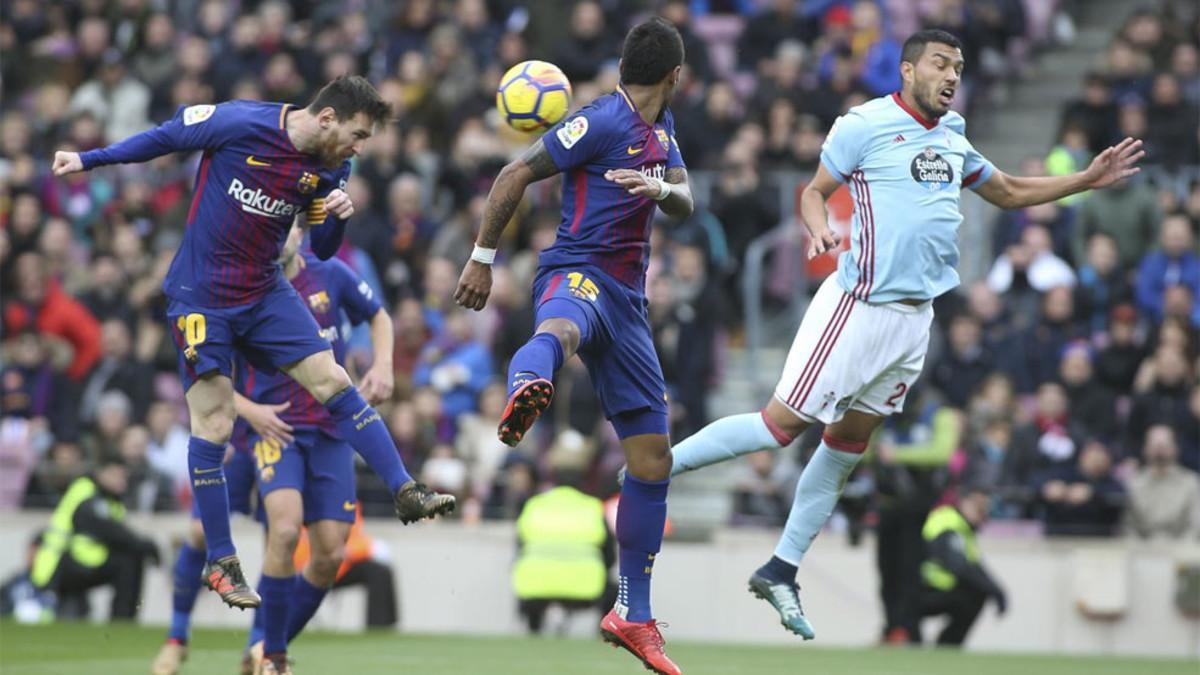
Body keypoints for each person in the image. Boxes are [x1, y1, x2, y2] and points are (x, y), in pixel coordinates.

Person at [664, 28, 1143, 638]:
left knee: (845, 446)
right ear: (908, 71)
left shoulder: (954, 133)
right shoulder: (862, 125)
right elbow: (814, 193)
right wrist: (818, 230)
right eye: (941, 64)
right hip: (858, 306)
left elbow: (1008, 191)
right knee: (780, 427)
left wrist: (1083, 180)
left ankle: (781, 567)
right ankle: (662, 466)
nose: (952, 75)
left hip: (914, 321)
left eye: (960, 66)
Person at [52, 75, 455, 610]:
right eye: (358, 133)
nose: (361, 147)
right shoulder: (240, 122)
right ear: (328, 118)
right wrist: (90, 159)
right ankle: (221, 562)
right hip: (201, 295)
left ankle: (406, 489)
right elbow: (167, 137)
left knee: (333, 377)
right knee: (215, 422)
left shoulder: (333, 166)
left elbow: (325, 248)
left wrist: (336, 216)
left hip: (265, 289)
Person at [454, 18, 692, 675]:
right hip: (575, 271)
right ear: (676, 74)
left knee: (652, 458)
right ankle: (524, 387)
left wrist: (662, 189)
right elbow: (512, 174)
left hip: (631, 304)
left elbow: (688, 201)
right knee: (559, 331)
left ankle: (632, 614)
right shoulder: (601, 121)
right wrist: (481, 259)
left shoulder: (664, 131)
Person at [155, 224, 396, 675]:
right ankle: (176, 637)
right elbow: (202, 373)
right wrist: (249, 411)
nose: (276, 236)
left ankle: (260, 649)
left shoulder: (327, 276)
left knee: (284, 538)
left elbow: (378, 315)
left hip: (297, 436)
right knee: (201, 535)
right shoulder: (237, 283)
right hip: (250, 433)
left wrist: (383, 365)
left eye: (286, 228)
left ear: (301, 231)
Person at [29, 458, 161, 621]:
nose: (121, 481)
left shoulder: (109, 499)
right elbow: (107, 528)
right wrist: (144, 545)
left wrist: (140, 545)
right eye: (115, 475)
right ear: (100, 473)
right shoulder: (85, 492)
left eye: (123, 476)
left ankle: (125, 618)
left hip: (77, 560)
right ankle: (122, 620)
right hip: (58, 565)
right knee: (128, 560)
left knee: (130, 556)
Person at [512, 431, 616, 635]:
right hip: (587, 588)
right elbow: (609, 556)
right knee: (615, 591)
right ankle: (603, 637)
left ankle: (534, 631)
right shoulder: (593, 507)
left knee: (528, 579)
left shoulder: (534, 505)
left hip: (534, 587)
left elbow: (519, 548)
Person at [918, 488, 1007, 646]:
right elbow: (958, 566)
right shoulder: (947, 521)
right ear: (965, 502)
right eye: (979, 507)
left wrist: (996, 590)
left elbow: (975, 566)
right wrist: (994, 590)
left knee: (977, 591)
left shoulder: (964, 529)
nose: (983, 514)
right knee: (974, 592)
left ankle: (947, 645)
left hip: (935, 589)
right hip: (922, 588)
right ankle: (944, 645)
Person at [1125, 425, 1200, 540]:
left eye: (1164, 445)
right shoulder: (1133, 484)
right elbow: (1128, 527)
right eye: (1155, 446)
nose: (1159, 450)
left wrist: (1181, 551)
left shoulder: (1191, 483)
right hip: (1141, 553)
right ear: (1145, 449)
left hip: (1183, 552)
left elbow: (1195, 526)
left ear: (1175, 448)